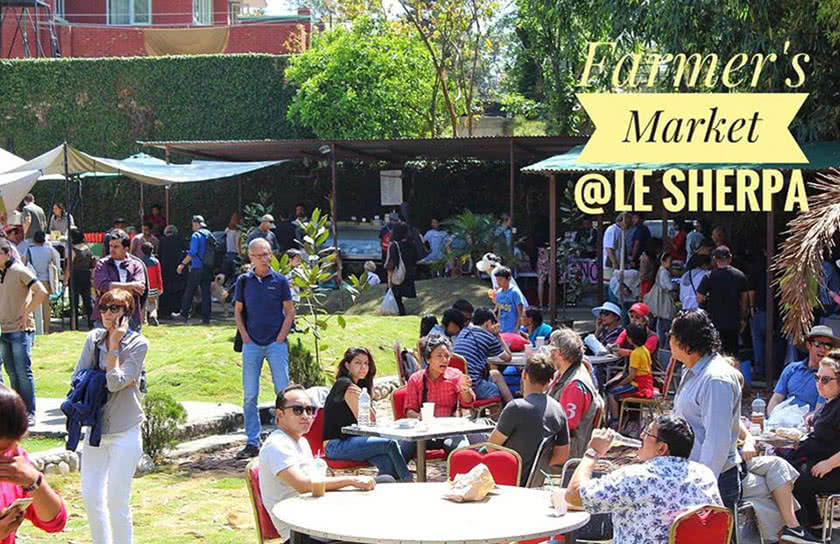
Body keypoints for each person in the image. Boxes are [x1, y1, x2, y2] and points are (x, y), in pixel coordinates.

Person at [565, 416, 723, 544]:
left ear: (662, 449)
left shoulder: (636, 477)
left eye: (647, 434)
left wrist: (592, 453)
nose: (641, 436)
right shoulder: (705, 475)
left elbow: (573, 497)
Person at [74, 288, 147, 544]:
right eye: (104, 308)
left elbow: (115, 383)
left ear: (126, 313)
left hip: (125, 430)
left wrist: (114, 347)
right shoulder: (93, 339)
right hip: (96, 429)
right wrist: (111, 377)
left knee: (117, 500)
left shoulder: (138, 344)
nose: (107, 313)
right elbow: (78, 377)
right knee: (91, 497)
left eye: (114, 308)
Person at [723, 356, 823, 544]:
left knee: (783, 467)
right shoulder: (716, 402)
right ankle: (790, 532)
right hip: (729, 468)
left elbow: (738, 426)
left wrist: (749, 440)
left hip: (741, 459)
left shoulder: (830, 406)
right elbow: (776, 398)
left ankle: (793, 530)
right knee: (779, 483)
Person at [259, 384, 376, 542]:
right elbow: (305, 485)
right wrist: (352, 481)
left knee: (384, 482)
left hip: (319, 517)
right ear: (280, 414)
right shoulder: (277, 445)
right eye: (298, 410)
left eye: (310, 410)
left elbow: (318, 483)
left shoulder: (301, 442)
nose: (306, 415)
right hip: (300, 533)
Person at [670, 309, 743, 507]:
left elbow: (717, 441)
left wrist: (700, 488)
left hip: (712, 480)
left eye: (671, 335)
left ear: (684, 344)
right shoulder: (692, 370)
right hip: (689, 473)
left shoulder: (715, 379)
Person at [234, 238, 295, 459]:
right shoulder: (243, 281)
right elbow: (238, 311)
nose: (265, 259)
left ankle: (285, 436)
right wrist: (245, 336)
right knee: (250, 394)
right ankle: (252, 440)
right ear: (251, 257)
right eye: (260, 255)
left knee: (283, 392)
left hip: (275, 343)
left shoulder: (280, 281)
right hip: (252, 344)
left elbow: (289, 311)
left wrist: (280, 337)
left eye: (268, 254)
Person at [323, 347, 413, 481]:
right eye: (358, 363)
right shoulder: (346, 385)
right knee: (390, 444)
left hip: (352, 441)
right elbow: (369, 421)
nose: (363, 367)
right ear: (347, 365)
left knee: (387, 462)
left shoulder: (358, 387)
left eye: (366, 363)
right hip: (336, 445)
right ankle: (408, 481)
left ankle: (386, 490)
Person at [486, 353, 570, 486]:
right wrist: (537, 464)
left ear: (524, 374)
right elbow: (561, 456)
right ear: (550, 380)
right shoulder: (558, 410)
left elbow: (491, 448)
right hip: (536, 482)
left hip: (507, 481)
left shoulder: (516, 408)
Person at [0, 385, 66, 543]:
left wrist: (34, 482)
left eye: (12, 446)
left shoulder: (14, 459)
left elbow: (54, 522)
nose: (10, 455)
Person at [399, 334, 474, 460]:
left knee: (461, 451)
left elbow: (468, 403)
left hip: (449, 431)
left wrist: (465, 390)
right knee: (402, 448)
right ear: (428, 359)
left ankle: (460, 479)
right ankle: (397, 477)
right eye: (439, 356)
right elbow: (409, 411)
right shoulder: (416, 379)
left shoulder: (455, 376)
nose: (444, 360)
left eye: (447, 356)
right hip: (423, 432)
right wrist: (421, 417)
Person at [789, 351, 840, 530]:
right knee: (786, 468)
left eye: (825, 380)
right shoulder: (830, 402)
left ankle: (802, 528)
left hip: (834, 469)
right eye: (817, 377)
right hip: (818, 461)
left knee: (791, 478)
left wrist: (828, 464)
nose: (819, 383)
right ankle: (812, 523)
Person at [0, 238, 48, 424]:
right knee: (11, 371)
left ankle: (29, 411)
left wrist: (26, 313)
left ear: (6, 253)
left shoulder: (19, 270)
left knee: (22, 371)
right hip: (4, 329)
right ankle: (16, 411)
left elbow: (41, 291)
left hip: (20, 329)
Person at [546, 328, 604, 458]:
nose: (549, 354)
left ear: (558, 353)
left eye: (551, 350)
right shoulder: (569, 371)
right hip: (562, 442)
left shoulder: (575, 386)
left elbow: (567, 425)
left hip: (569, 449)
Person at [767, 325, 837, 416]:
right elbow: (776, 398)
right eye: (818, 344)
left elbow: (819, 411)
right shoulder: (791, 369)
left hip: (807, 424)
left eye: (827, 346)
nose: (823, 349)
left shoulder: (828, 377)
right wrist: (772, 418)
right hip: (782, 418)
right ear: (809, 345)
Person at [452, 308, 514, 404]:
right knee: (493, 391)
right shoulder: (488, 337)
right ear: (488, 323)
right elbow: (508, 358)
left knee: (496, 374)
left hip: (456, 383)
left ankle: (512, 405)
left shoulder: (464, 331)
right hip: (472, 385)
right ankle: (500, 415)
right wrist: (498, 335)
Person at [696, 245, 749, 357]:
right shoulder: (740, 276)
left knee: (715, 355)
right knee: (732, 355)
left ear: (715, 260)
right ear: (730, 258)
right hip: (733, 321)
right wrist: (743, 318)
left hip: (714, 322)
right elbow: (744, 299)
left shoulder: (709, 277)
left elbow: (699, 298)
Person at [92, 229, 147, 331]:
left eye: (116, 247)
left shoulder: (136, 265)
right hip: (105, 317)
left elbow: (140, 289)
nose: (112, 250)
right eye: (111, 246)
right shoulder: (102, 264)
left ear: (126, 248)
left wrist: (112, 287)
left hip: (131, 317)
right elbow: (102, 285)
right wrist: (130, 286)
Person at [604, 323, 654, 425]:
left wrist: (620, 384)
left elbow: (631, 376)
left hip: (639, 386)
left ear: (630, 339)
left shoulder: (635, 354)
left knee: (611, 392)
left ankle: (616, 419)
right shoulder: (644, 350)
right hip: (647, 384)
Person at [174, 215, 213, 324]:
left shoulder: (196, 235)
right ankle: (206, 318)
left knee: (189, 290)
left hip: (197, 267)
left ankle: (184, 314)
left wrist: (182, 264)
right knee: (206, 293)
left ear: (196, 224)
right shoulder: (208, 234)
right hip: (207, 267)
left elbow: (192, 252)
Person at [22, 231, 60, 334]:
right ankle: (46, 329)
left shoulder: (29, 250)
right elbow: (56, 264)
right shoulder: (50, 250)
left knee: (33, 306)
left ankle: (35, 328)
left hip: (33, 281)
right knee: (46, 307)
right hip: (46, 280)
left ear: (34, 239)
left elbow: (23, 264)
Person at [385, 223, 418, 316]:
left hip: (397, 275)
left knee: (396, 296)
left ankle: (399, 312)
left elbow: (391, 265)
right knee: (399, 297)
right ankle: (401, 312)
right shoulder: (412, 245)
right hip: (408, 274)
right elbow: (415, 260)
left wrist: (389, 279)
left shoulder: (395, 246)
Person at [157, 225, 185, 320]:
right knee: (177, 289)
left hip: (165, 268)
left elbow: (159, 254)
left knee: (166, 290)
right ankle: (176, 309)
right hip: (177, 268)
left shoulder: (162, 241)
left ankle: (164, 311)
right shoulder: (180, 240)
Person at [68, 227, 94, 328]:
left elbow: (69, 266)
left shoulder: (73, 250)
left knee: (74, 302)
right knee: (87, 301)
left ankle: (74, 325)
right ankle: (91, 324)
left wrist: (66, 280)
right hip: (86, 275)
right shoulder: (88, 248)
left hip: (75, 275)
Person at [651, 252, 676, 348]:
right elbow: (669, 287)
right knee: (666, 327)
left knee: (661, 327)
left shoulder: (660, 271)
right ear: (663, 261)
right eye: (670, 261)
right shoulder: (664, 272)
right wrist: (676, 285)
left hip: (661, 304)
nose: (671, 263)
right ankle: (663, 348)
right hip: (664, 302)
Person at [493, 266, 522, 334]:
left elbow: (520, 314)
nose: (498, 282)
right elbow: (499, 311)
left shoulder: (515, 292)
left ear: (509, 278)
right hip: (501, 329)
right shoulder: (499, 293)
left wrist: (516, 329)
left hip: (512, 329)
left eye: (500, 279)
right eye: (497, 280)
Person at [140, 243, 162, 327]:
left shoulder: (140, 262)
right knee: (153, 304)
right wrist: (160, 287)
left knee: (143, 304)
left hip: (144, 286)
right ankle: (153, 316)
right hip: (153, 286)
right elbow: (158, 276)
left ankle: (144, 320)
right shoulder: (156, 261)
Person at [222, 212, 241, 285]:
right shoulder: (238, 231)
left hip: (227, 254)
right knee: (235, 275)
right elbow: (237, 245)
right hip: (235, 255)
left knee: (225, 275)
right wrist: (240, 255)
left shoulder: (227, 230)